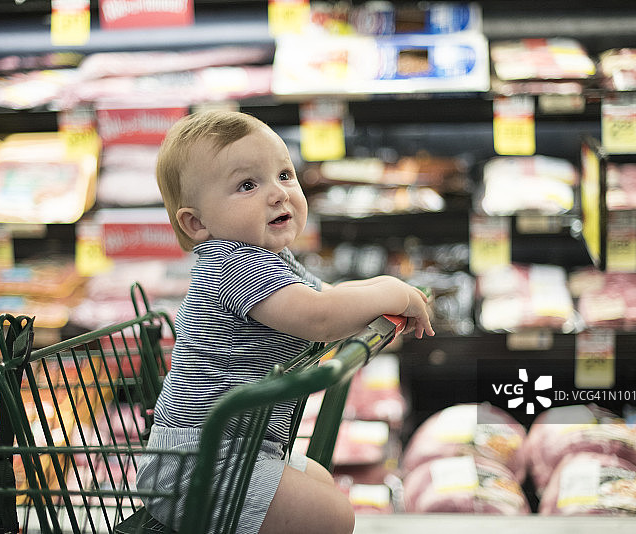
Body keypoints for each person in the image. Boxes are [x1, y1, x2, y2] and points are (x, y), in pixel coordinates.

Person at [136, 110, 434, 534]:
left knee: (323, 487)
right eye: (247, 185)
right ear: (196, 222)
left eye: (284, 175)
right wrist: (392, 292)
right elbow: (319, 317)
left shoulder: (268, 258)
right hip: (199, 465)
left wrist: (383, 293)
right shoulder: (231, 263)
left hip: (242, 447)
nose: (278, 194)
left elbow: (327, 298)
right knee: (330, 515)